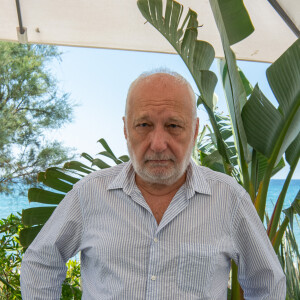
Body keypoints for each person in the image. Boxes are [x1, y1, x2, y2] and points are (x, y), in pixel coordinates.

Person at [21, 70, 286, 299]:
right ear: (126, 129)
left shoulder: (229, 200)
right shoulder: (89, 194)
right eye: (144, 124)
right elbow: (41, 261)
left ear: (194, 131)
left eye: (173, 125)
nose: (158, 144)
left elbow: (268, 284)